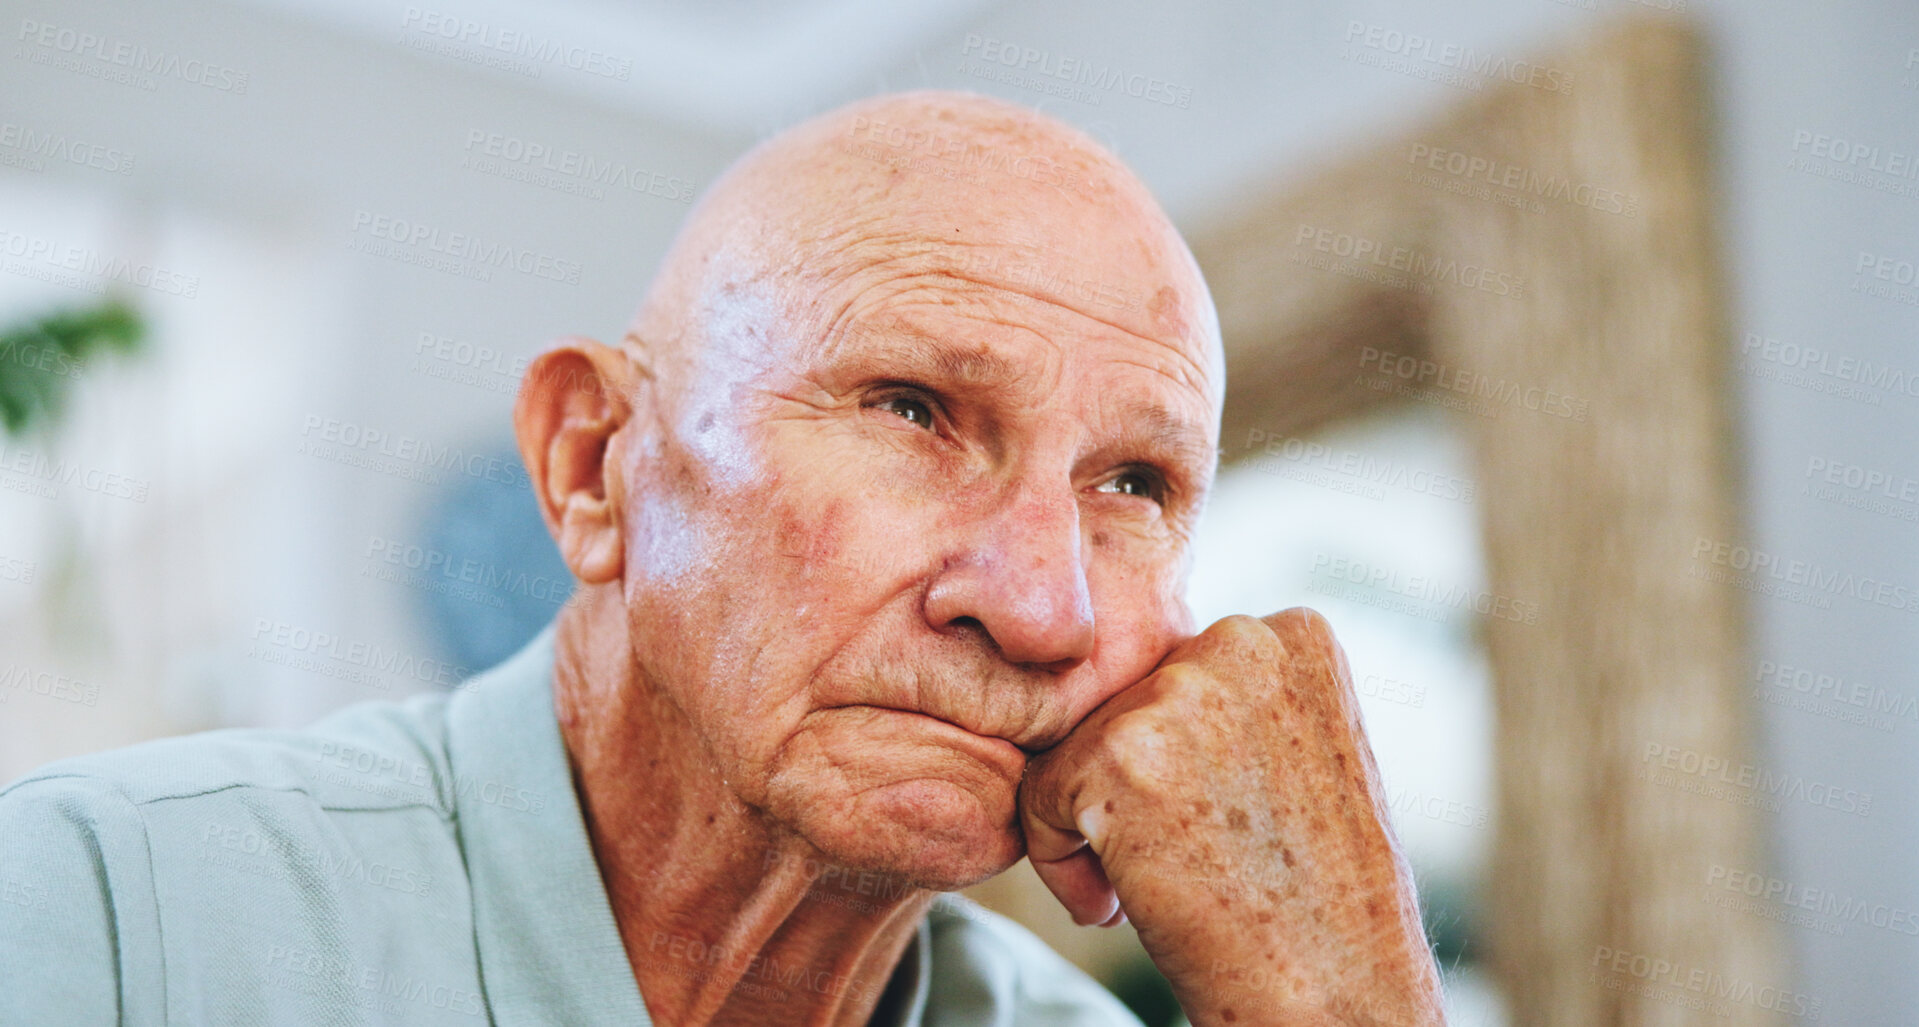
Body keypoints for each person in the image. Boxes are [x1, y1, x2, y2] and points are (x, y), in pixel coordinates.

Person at [0, 90, 1444, 1026]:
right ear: (592, 463)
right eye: (912, 410)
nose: (1042, 606)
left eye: (1133, 482)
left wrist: (1347, 1003)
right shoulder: (104, 912)